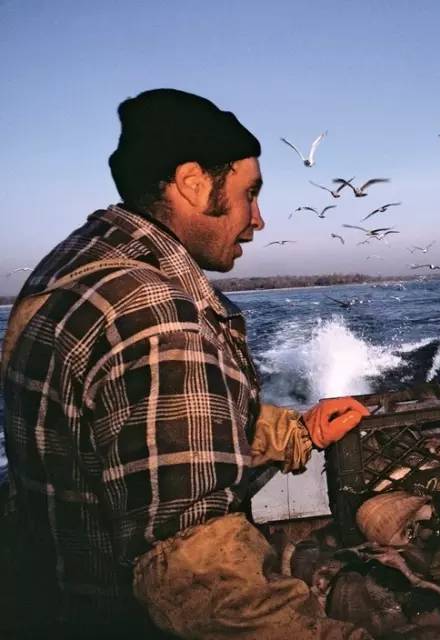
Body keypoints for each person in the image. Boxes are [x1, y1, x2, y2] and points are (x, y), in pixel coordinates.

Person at [0, 89, 371, 639]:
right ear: (194, 183)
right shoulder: (155, 313)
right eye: (251, 193)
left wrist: (296, 432)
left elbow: (133, 432)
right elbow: (206, 587)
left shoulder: (70, 269)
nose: (259, 220)